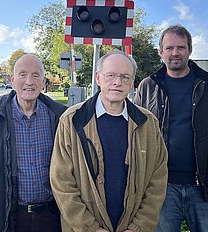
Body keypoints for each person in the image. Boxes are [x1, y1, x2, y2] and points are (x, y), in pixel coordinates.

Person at [134, 24, 208, 232]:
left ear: (190, 50)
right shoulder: (147, 86)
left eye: (181, 48)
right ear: (160, 52)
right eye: (169, 48)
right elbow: (135, 137)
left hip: (204, 186)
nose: (175, 53)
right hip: (160, 187)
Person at [50, 49, 168, 232]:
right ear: (98, 78)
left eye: (124, 77)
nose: (117, 82)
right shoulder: (72, 120)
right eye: (110, 75)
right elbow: (61, 182)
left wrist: (139, 226)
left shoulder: (148, 123)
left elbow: (158, 179)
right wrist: (90, 228)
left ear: (132, 83)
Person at [0, 54, 67, 232]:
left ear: (43, 81)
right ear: (12, 80)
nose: (29, 81)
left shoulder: (59, 116)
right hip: (9, 216)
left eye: (36, 75)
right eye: (22, 74)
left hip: (52, 217)